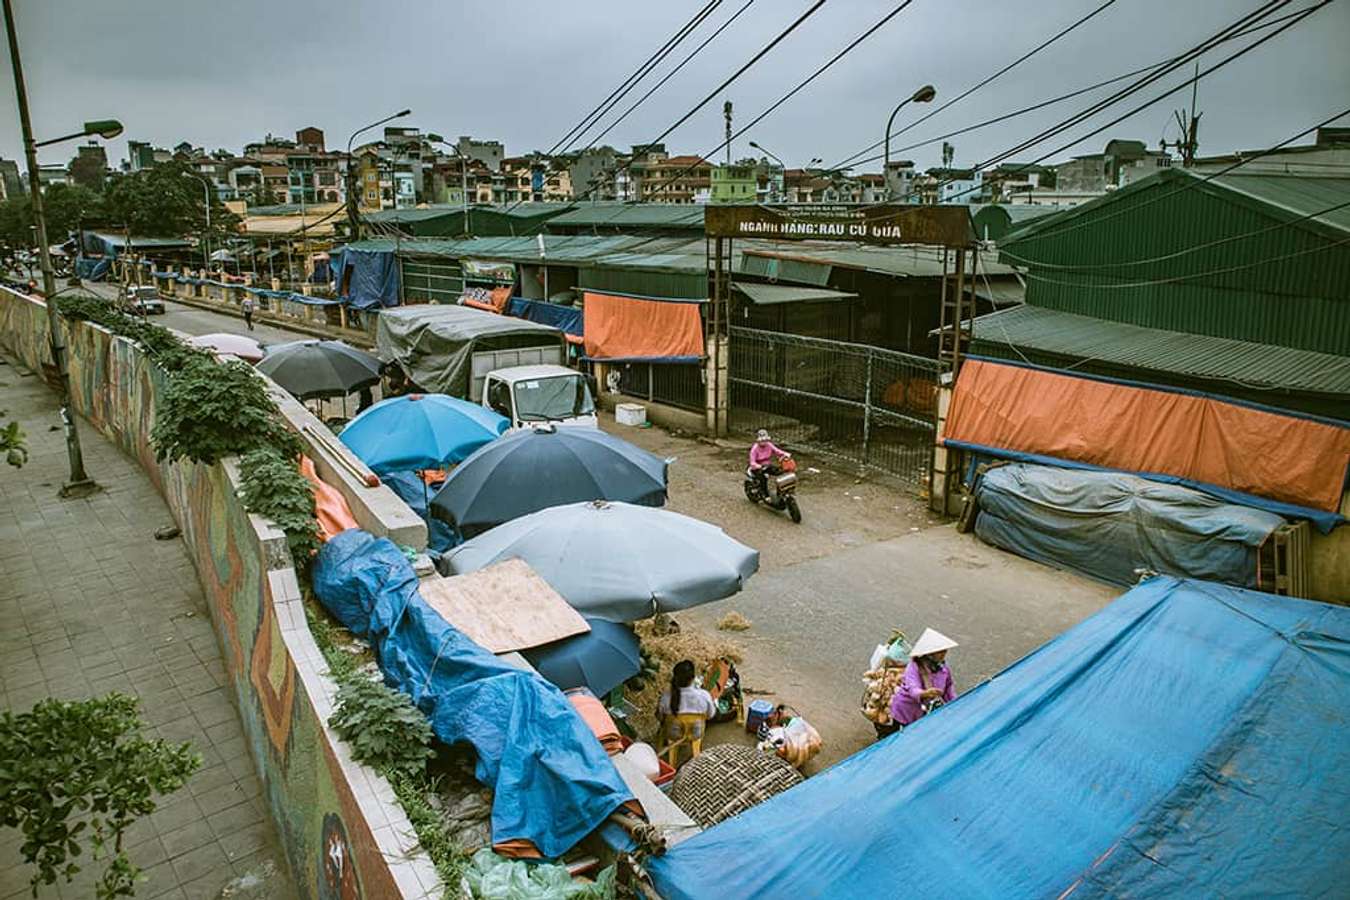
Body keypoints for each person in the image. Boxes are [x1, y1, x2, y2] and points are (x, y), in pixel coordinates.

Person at [889, 628, 959, 729]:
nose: (944, 654)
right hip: (906, 710)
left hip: (925, 711)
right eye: (940, 652)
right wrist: (925, 693)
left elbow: (949, 688)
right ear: (930, 653)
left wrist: (956, 704)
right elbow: (913, 688)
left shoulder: (943, 668)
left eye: (945, 651)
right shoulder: (914, 667)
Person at [658, 660, 717, 743]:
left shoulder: (665, 697)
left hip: (673, 735)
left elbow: (660, 717)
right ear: (693, 678)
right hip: (695, 734)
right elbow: (711, 715)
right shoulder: (704, 695)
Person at [748, 429, 790, 495]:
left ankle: (782, 490)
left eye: (765, 440)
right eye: (761, 440)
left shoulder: (769, 445)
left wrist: (785, 454)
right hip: (758, 468)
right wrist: (759, 466)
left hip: (767, 465)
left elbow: (777, 451)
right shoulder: (755, 449)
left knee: (780, 472)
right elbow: (752, 462)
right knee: (763, 479)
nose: (763, 442)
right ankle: (765, 494)